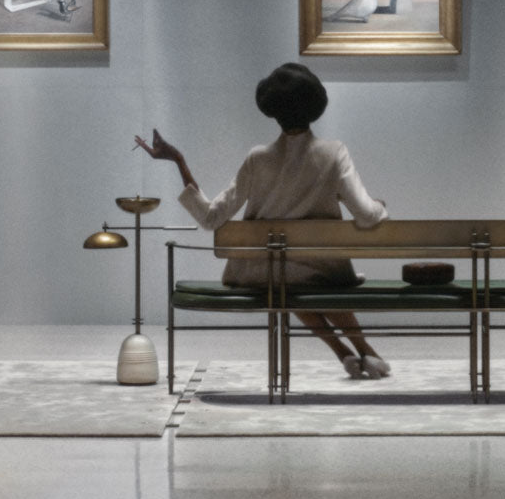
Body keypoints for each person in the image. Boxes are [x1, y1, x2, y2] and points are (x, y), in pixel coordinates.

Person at [135, 62, 392, 379]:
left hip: (260, 272)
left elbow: (210, 217)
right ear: (316, 105)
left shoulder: (257, 158)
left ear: (272, 110)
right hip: (319, 271)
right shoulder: (333, 153)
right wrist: (380, 206)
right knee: (312, 273)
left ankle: (345, 355)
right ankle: (366, 351)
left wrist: (178, 160)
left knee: (286, 276)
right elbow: (367, 216)